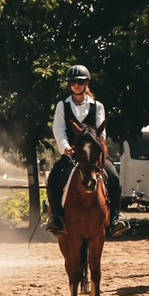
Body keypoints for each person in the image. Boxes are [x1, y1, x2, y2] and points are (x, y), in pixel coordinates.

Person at [44, 65, 130, 237]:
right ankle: (56, 217)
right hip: (72, 153)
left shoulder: (97, 106)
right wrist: (66, 147)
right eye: (73, 82)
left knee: (113, 177)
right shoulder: (63, 105)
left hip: (93, 154)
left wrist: (96, 149)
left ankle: (115, 217)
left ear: (86, 83)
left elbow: (101, 131)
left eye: (80, 81)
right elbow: (58, 129)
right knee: (54, 177)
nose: (76, 85)